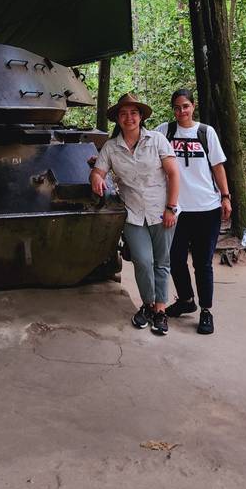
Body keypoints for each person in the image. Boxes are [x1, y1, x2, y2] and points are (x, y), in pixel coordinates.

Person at [90, 93, 179, 336]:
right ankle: (147, 304)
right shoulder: (111, 147)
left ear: (141, 116)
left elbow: (173, 174)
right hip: (132, 214)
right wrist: (97, 179)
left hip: (162, 211)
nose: (129, 118)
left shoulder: (157, 140)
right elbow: (98, 171)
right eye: (123, 114)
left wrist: (171, 208)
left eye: (133, 113)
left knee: (162, 262)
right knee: (142, 260)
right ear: (117, 119)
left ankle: (160, 310)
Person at [156, 88, 232, 335]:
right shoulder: (164, 131)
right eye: (177, 107)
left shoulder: (205, 132)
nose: (181, 111)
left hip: (206, 208)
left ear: (193, 106)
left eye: (185, 106)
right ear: (173, 109)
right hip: (176, 209)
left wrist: (225, 197)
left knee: (202, 263)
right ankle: (186, 299)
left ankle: (206, 311)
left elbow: (218, 167)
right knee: (175, 259)